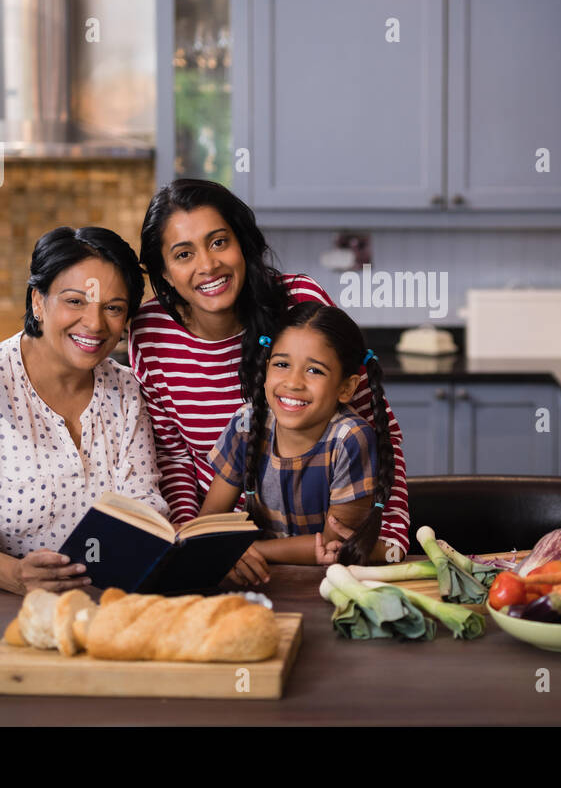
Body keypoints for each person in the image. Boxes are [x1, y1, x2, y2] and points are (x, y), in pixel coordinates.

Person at [130, 178, 409, 583]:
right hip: (229, 549)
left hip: (326, 549)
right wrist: (202, 546)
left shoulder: (300, 303)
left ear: (243, 244)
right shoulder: (150, 330)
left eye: (219, 242)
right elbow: (173, 458)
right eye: (184, 253)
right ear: (165, 272)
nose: (207, 265)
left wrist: (390, 531)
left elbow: (379, 431)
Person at [0, 226, 168, 594]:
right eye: (75, 301)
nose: (95, 324)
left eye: (113, 308)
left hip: (107, 598)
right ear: (37, 301)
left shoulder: (126, 390)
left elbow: (144, 504)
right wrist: (15, 575)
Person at [201, 302, 393, 567]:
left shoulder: (350, 439)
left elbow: (331, 545)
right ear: (266, 369)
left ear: (347, 387)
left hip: (324, 581)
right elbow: (209, 520)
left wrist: (247, 551)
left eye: (314, 370)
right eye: (281, 364)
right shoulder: (246, 422)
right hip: (257, 575)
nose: (293, 382)